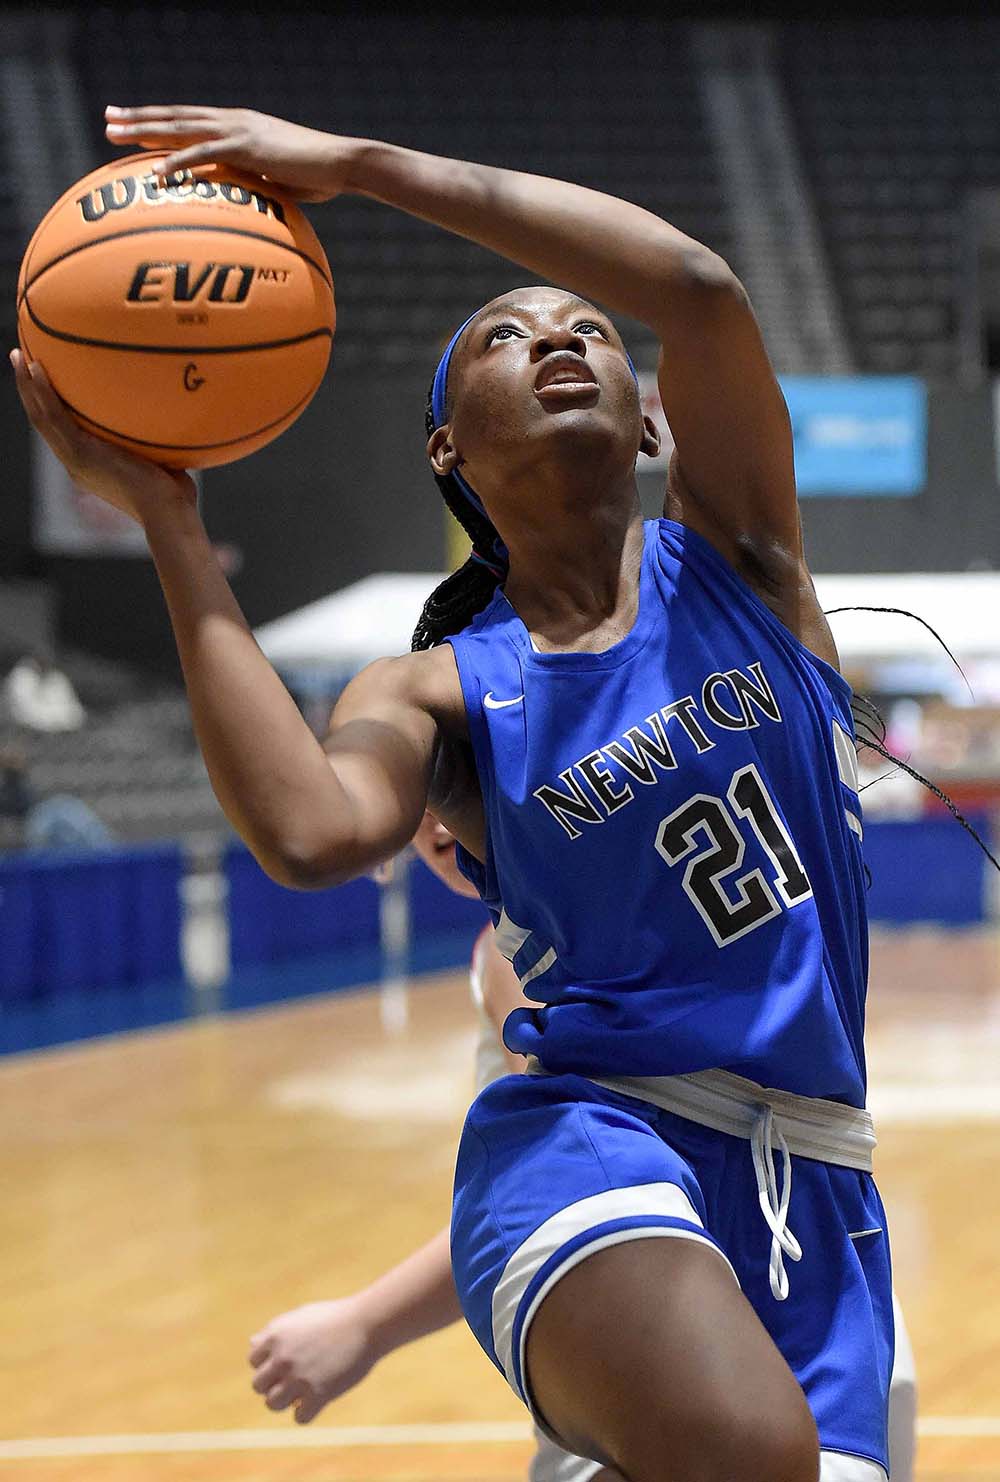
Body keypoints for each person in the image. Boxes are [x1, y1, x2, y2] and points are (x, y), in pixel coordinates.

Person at [13, 102, 894, 1482]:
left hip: (819, 1177)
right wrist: (173, 526)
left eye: (588, 329)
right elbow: (309, 831)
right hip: (592, 1143)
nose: (559, 339)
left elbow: (697, 289)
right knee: (746, 1452)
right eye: (504, 337)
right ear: (446, 450)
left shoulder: (743, 563)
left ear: (651, 415)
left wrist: (362, 168)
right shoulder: (436, 690)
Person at [249, 815, 918, 1482]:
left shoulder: (526, 954)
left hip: (698, 1333)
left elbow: (562, 1194)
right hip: (838, 1319)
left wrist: (363, 1325)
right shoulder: (655, 918)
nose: (437, 820)